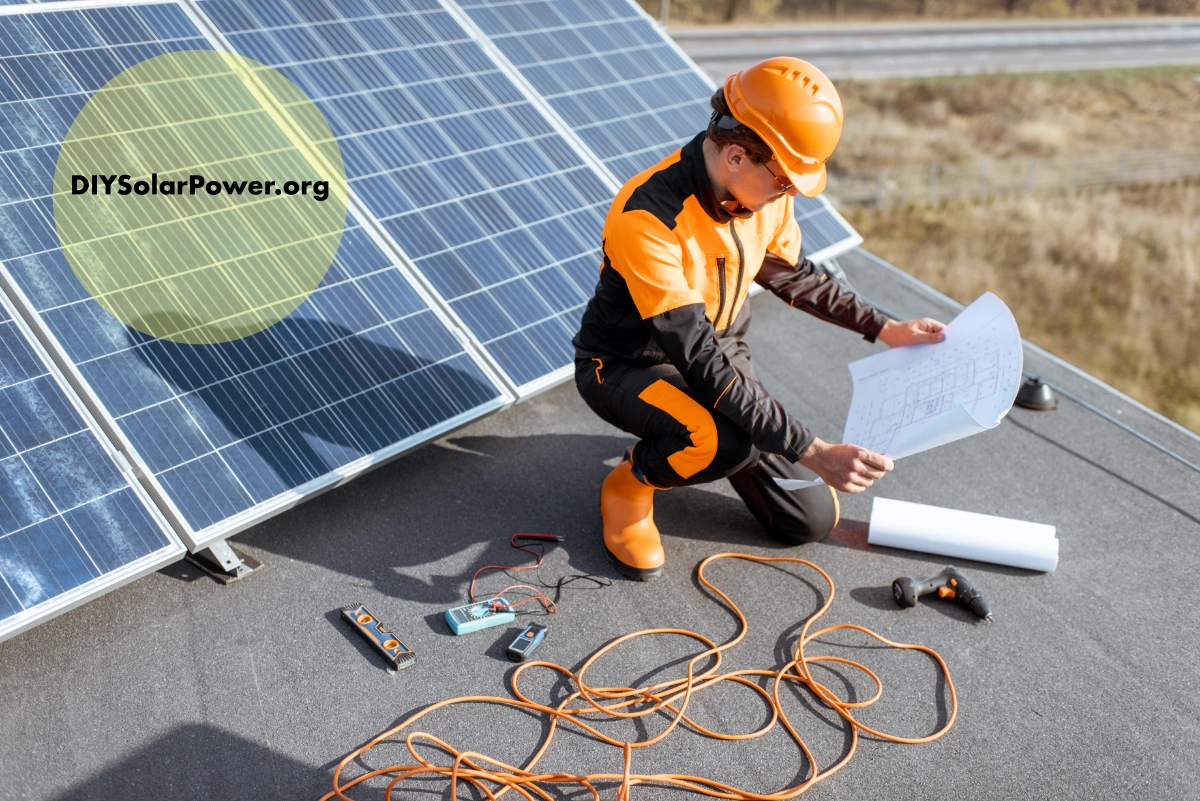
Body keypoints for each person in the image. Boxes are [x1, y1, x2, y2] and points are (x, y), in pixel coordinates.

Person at [572, 57, 947, 581]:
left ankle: (709, 444)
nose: (789, 192)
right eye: (785, 181)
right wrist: (813, 450)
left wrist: (885, 328)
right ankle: (631, 482)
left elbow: (795, 276)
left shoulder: (762, 194)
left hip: (717, 351)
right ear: (734, 156)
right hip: (626, 367)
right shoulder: (648, 219)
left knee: (805, 520)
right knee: (724, 441)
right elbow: (698, 357)